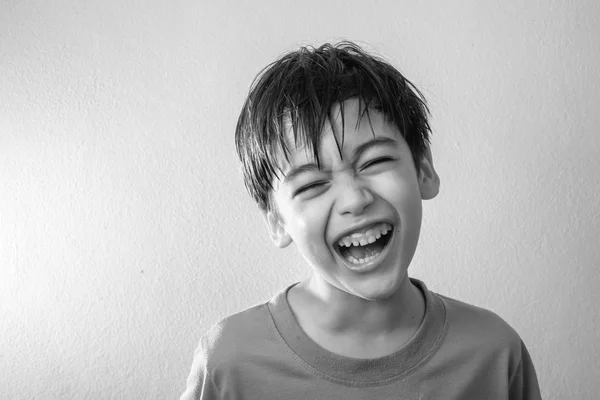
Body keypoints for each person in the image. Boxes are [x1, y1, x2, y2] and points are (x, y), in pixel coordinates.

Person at [181, 41, 542, 399]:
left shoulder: (495, 353)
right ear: (277, 220)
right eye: (312, 184)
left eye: (374, 162)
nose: (354, 199)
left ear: (423, 169)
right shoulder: (229, 364)